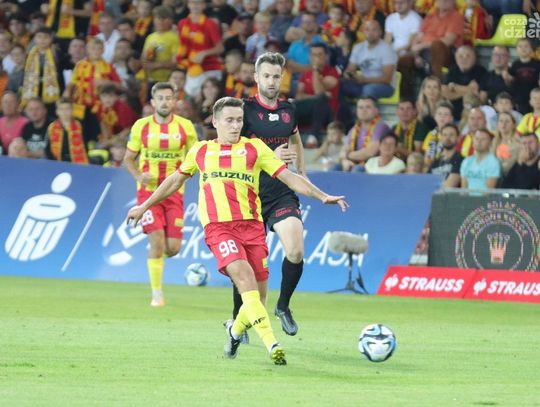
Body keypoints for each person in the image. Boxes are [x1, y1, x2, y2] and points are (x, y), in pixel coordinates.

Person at [126, 96, 348, 365]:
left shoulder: (255, 149)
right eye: (229, 120)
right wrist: (144, 206)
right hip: (219, 228)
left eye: (239, 120)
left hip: (252, 228)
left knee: (258, 299)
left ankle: (234, 331)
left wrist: (323, 196)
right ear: (215, 121)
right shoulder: (201, 151)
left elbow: (289, 178)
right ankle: (272, 345)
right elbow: (174, 181)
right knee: (244, 278)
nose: (235, 126)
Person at [234, 52, 308, 337]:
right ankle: (238, 320)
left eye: (276, 76)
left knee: (296, 249)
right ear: (256, 77)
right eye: (266, 76)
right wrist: (269, 156)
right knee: (246, 266)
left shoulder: (289, 110)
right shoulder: (244, 110)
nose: (271, 81)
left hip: (280, 192)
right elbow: (233, 150)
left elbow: (296, 140)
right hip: (249, 194)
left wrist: (302, 172)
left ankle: (283, 306)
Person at [123, 82, 198, 307]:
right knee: (156, 243)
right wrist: (138, 176)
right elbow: (128, 158)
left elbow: (196, 156)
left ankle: (155, 258)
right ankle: (157, 295)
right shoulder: (141, 126)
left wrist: (188, 173)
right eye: (160, 98)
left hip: (174, 193)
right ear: (153, 102)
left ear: (174, 101)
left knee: (172, 249)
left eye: (168, 98)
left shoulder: (185, 127)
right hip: (147, 195)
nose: (165, 102)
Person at [45, 98, 88, 164]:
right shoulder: (52, 127)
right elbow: (48, 149)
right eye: (61, 109)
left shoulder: (79, 125)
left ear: (72, 110)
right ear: (57, 111)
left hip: (77, 162)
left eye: (67, 109)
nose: (64, 112)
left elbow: (85, 145)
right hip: (57, 162)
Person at [428, 123, 463, 187]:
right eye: (444, 135)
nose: (447, 138)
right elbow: (426, 182)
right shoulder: (435, 162)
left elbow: (450, 185)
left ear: (458, 138)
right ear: (441, 138)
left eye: (451, 135)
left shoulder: (460, 160)